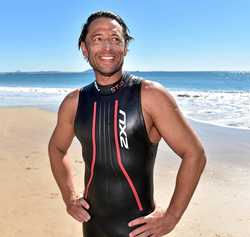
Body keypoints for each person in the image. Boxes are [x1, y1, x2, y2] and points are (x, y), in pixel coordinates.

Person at [48, 11, 206, 237]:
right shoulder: (74, 103)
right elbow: (56, 148)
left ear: (125, 48)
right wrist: (69, 197)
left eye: (115, 39)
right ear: (84, 48)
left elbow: (194, 153)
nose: (107, 47)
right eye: (98, 39)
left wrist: (171, 216)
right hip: (92, 229)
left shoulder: (150, 96)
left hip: (138, 232)